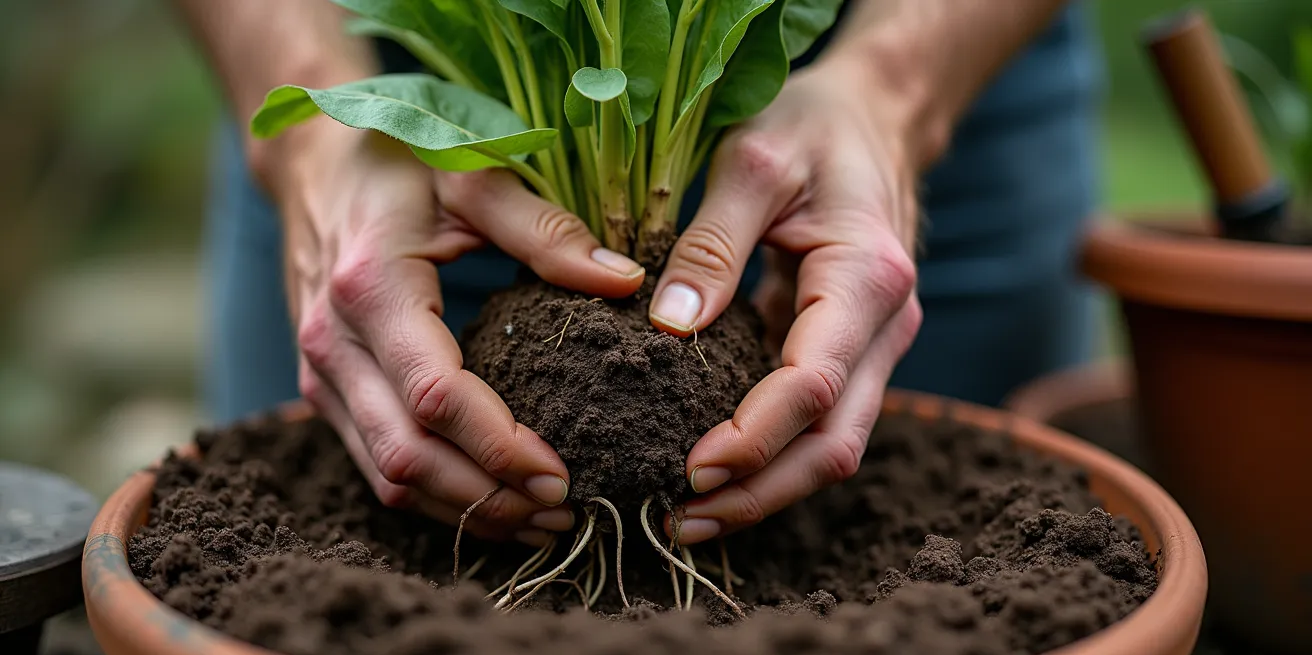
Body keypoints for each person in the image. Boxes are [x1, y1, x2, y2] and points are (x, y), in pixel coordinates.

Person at [177, 0, 1102, 547]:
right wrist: (313, 135)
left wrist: (899, 87)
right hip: (398, 120)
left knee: (939, 536)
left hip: (933, 44)